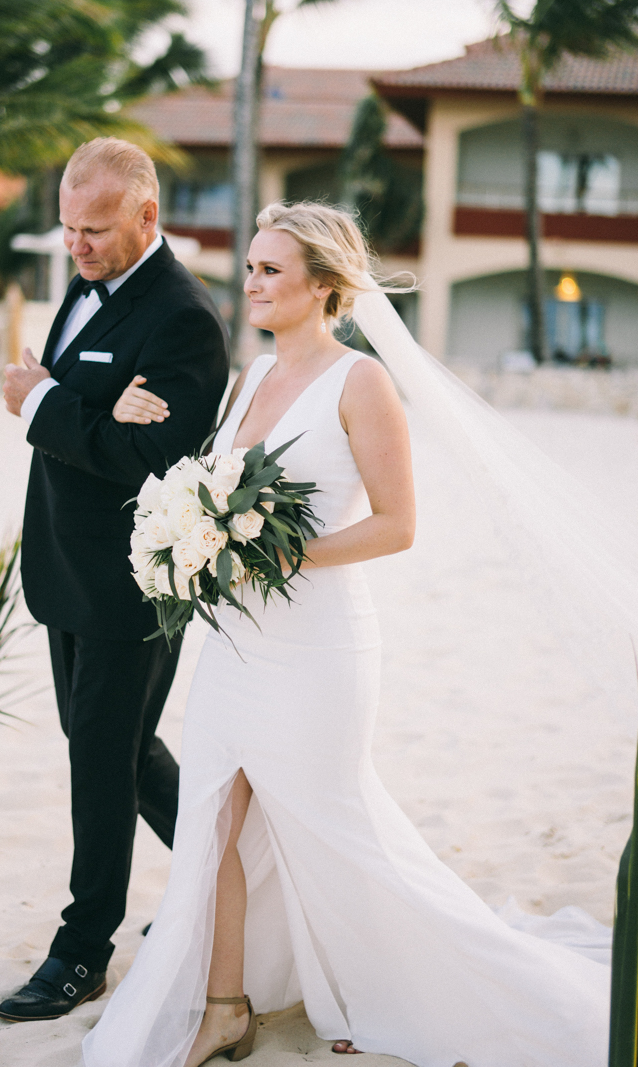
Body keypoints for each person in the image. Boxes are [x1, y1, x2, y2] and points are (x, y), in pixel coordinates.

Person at [81, 201, 609, 1067]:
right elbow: (214, 491)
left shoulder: (361, 383)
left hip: (319, 648)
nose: (251, 282)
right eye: (250, 267)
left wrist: (277, 561)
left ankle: (426, 980)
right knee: (210, 820)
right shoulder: (250, 376)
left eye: (270, 271)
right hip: (237, 643)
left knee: (331, 824)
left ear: (324, 287)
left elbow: (398, 525)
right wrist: (189, 531)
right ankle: (222, 1005)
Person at [0, 137, 230, 1022]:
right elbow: (93, 415)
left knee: (100, 761)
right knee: (119, 753)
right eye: (67, 230)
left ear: (147, 216)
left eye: (94, 230)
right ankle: (224, 880)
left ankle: (82, 948)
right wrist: (72, 400)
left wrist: (43, 402)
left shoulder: (182, 319)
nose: (77, 247)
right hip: (64, 564)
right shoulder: (87, 278)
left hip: (133, 584)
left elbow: (150, 459)